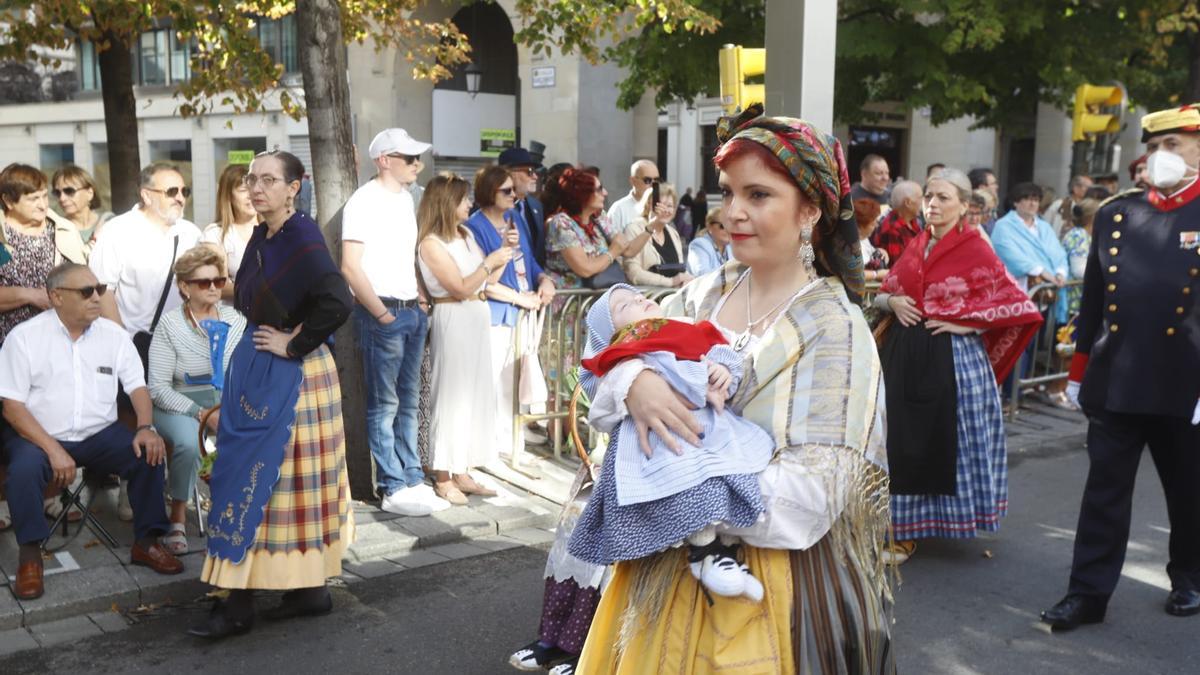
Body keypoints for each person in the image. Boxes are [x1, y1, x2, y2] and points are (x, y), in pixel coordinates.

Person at [575, 104, 893, 673]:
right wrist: (635, 380)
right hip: (661, 567)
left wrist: (679, 491)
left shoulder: (835, 327)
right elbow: (606, 349)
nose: (734, 212)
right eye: (728, 192)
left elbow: (812, 499)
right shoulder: (704, 294)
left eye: (759, 195)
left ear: (810, 211)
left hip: (769, 584)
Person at [1042, 104, 1200, 631]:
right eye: (1155, 147)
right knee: (1104, 492)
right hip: (1117, 378)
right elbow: (1093, 302)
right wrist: (1078, 372)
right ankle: (1088, 593)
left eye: (1173, 146)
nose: (1159, 157)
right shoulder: (1117, 211)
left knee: (1188, 488)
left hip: (1186, 380)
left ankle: (1189, 574)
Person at [191, 150, 354, 639]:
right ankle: (308, 591)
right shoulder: (267, 234)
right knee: (285, 485)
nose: (255, 188)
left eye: (267, 180)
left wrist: (295, 343)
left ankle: (238, 604)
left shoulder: (301, 236)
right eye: (250, 180)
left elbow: (338, 300)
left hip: (292, 376)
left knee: (256, 479)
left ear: (294, 187)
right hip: (267, 367)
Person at [873, 169, 1042, 563]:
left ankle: (922, 528)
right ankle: (899, 528)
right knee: (899, 438)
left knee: (945, 439)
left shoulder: (976, 249)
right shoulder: (917, 243)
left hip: (954, 360)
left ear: (965, 206)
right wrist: (892, 303)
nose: (933, 204)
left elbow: (1016, 304)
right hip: (903, 357)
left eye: (943, 198)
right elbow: (886, 292)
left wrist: (965, 321)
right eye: (929, 196)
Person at [569, 284, 774, 600]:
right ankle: (704, 552)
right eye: (624, 307)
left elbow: (719, 348)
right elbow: (605, 384)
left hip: (704, 423)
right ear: (612, 333)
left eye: (636, 294)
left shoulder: (684, 326)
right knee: (681, 488)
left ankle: (727, 551)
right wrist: (636, 379)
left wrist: (722, 370)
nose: (639, 298)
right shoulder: (626, 349)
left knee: (726, 475)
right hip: (660, 436)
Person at [0, 262, 183, 600]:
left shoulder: (113, 335)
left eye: (99, 289)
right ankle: (29, 558)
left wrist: (145, 426)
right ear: (56, 297)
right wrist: (52, 449)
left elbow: (137, 387)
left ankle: (147, 543)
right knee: (24, 469)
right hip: (39, 436)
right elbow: (12, 406)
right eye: (86, 292)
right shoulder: (24, 338)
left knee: (148, 453)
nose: (97, 298)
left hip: (98, 434)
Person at [340, 128, 446, 517]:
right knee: (385, 404)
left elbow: (406, 256)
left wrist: (417, 298)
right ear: (384, 159)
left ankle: (412, 478)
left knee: (407, 402)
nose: (417, 164)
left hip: (406, 310)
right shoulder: (363, 201)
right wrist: (381, 313)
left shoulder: (405, 200)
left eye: (417, 158)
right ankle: (392, 484)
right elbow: (350, 266)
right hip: (382, 310)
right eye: (409, 158)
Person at [418, 173, 511, 505]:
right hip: (453, 317)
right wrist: (489, 263)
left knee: (473, 395)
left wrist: (503, 255)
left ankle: (462, 469)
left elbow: (481, 282)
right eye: (464, 199)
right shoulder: (430, 243)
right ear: (447, 203)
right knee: (451, 396)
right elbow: (458, 286)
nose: (470, 203)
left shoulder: (466, 233)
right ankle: (442, 474)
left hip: (475, 315)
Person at [147, 245, 246, 554]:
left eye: (219, 280)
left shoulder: (235, 320)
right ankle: (177, 517)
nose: (214, 287)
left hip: (225, 401)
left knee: (260, 434)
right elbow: (158, 388)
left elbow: (244, 374)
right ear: (184, 287)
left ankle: (243, 511)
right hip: (178, 402)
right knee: (190, 443)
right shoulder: (170, 325)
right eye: (204, 283)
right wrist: (201, 413)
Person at [464, 165, 555, 465]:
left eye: (513, 190)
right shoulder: (474, 226)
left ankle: (508, 441)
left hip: (522, 309)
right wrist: (519, 297)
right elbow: (483, 281)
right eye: (506, 191)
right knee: (491, 381)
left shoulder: (514, 218)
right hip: (496, 312)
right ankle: (489, 445)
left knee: (512, 380)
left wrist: (544, 280)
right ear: (489, 192)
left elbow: (528, 261)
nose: (514, 196)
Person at [90, 162, 202, 361]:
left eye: (184, 191)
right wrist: (122, 343)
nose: (180, 198)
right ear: (146, 195)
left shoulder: (191, 233)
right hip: (133, 345)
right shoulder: (118, 231)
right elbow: (103, 290)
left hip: (182, 348)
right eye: (171, 191)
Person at [0, 163, 90, 343]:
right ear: (9, 201)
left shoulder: (63, 230)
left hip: (62, 341)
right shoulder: (2, 236)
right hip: (8, 345)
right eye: (33, 199)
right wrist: (29, 295)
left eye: (44, 196)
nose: (43, 205)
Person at [543, 168, 654, 290]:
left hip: (596, 299)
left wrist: (652, 227)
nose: (605, 193)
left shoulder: (599, 218)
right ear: (583, 194)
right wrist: (612, 252)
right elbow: (584, 269)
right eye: (599, 189)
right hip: (571, 304)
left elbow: (628, 250)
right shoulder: (562, 223)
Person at [992, 182, 1070, 324]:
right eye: (1027, 199)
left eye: (1036, 200)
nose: (1032, 204)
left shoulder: (1044, 226)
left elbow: (1058, 252)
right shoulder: (1003, 226)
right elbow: (1009, 254)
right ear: (1016, 202)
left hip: (1047, 292)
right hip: (1019, 292)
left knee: (1043, 338)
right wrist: (1041, 271)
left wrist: (1060, 272)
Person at [621, 182, 693, 287]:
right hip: (645, 297)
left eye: (670, 206)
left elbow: (679, 270)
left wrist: (688, 279)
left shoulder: (673, 233)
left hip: (671, 297)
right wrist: (670, 282)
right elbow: (633, 273)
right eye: (661, 205)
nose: (666, 210)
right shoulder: (634, 228)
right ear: (648, 205)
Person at [201, 163, 257, 292]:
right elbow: (217, 285)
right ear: (228, 196)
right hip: (235, 311)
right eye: (243, 190)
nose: (251, 195)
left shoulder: (274, 229)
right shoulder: (215, 235)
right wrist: (259, 294)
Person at [498, 147, 548, 268]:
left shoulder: (536, 206)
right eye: (529, 171)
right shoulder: (495, 208)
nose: (535, 176)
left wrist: (541, 277)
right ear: (510, 174)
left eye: (536, 171)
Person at [50, 164, 114, 247]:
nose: (62, 198)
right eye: (57, 193)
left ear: (90, 193)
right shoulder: (57, 230)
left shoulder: (109, 222)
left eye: (69, 191)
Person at [1062, 198, 1099, 316]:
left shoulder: (1086, 235)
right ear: (1093, 217)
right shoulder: (1079, 236)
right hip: (1075, 301)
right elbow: (1079, 270)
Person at [870, 179, 922, 263]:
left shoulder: (913, 221)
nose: (922, 202)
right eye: (920, 198)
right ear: (908, 202)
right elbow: (899, 266)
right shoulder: (892, 228)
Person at [606, 160, 660, 234]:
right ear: (633, 181)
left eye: (656, 180)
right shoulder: (619, 209)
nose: (653, 185)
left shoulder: (662, 206)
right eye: (647, 180)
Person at [686, 207, 733, 277]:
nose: (727, 229)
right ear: (709, 226)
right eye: (722, 226)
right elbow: (703, 275)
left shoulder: (730, 246)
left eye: (730, 225)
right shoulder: (699, 244)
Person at [854, 198, 888, 281]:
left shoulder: (863, 238)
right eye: (873, 223)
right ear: (861, 226)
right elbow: (854, 275)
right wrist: (876, 275)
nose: (876, 226)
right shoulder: (849, 245)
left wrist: (881, 252)